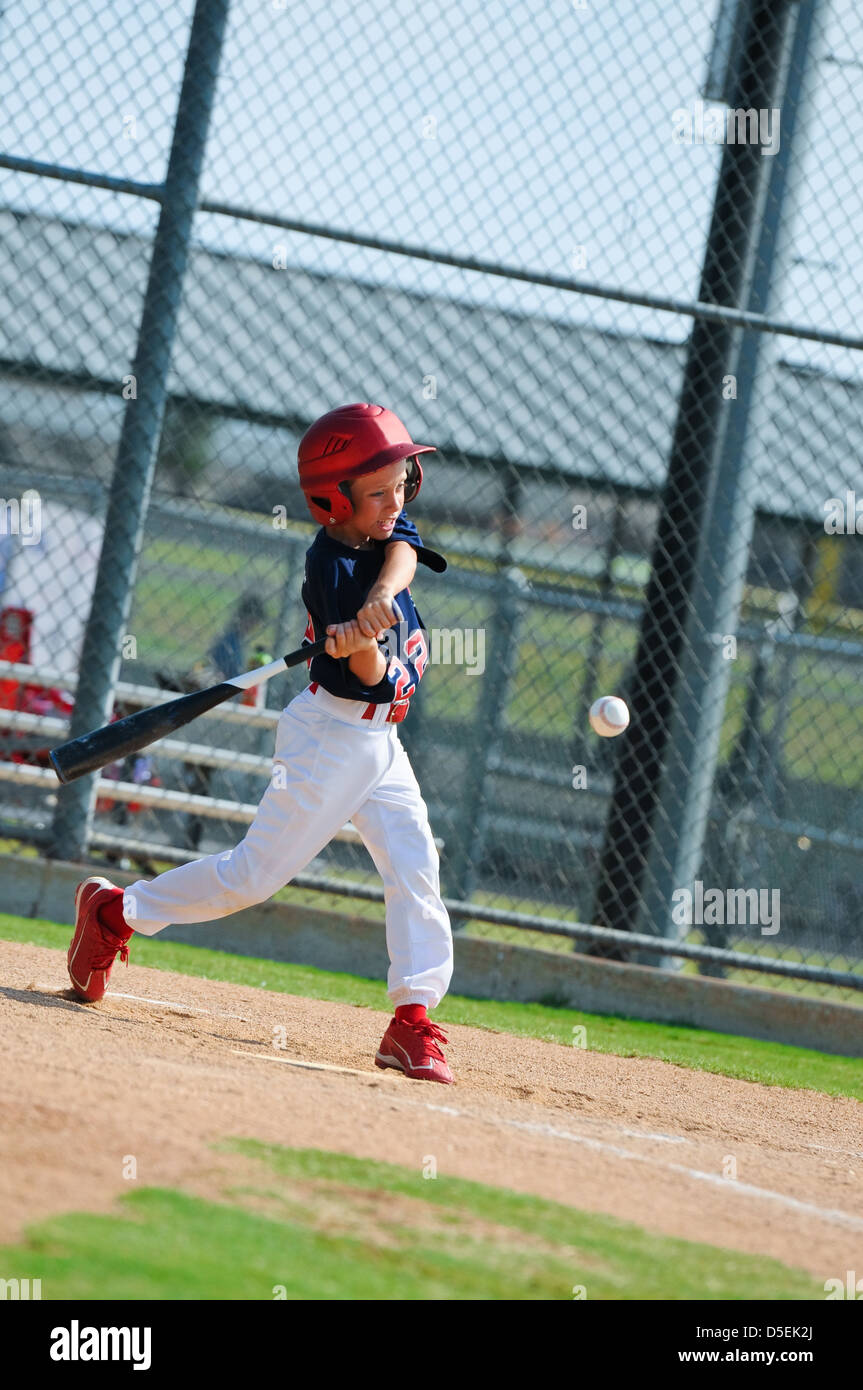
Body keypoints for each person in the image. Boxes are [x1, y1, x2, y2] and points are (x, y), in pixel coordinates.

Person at [65, 403, 455, 1083]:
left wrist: (382, 600)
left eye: (404, 481)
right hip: (331, 738)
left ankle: (412, 1021)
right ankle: (114, 912)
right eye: (380, 490)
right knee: (251, 878)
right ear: (333, 501)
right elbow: (367, 680)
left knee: (415, 867)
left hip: (381, 748)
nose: (397, 500)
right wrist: (365, 647)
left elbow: (405, 551)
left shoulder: (381, 534)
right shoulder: (329, 566)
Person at [156, 594, 269, 852]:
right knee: (197, 778)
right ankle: (185, 838)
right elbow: (217, 676)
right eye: (253, 620)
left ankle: (187, 838)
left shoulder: (233, 641)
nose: (253, 626)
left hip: (213, 712)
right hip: (208, 713)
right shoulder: (228, 642)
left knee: (199, 780)